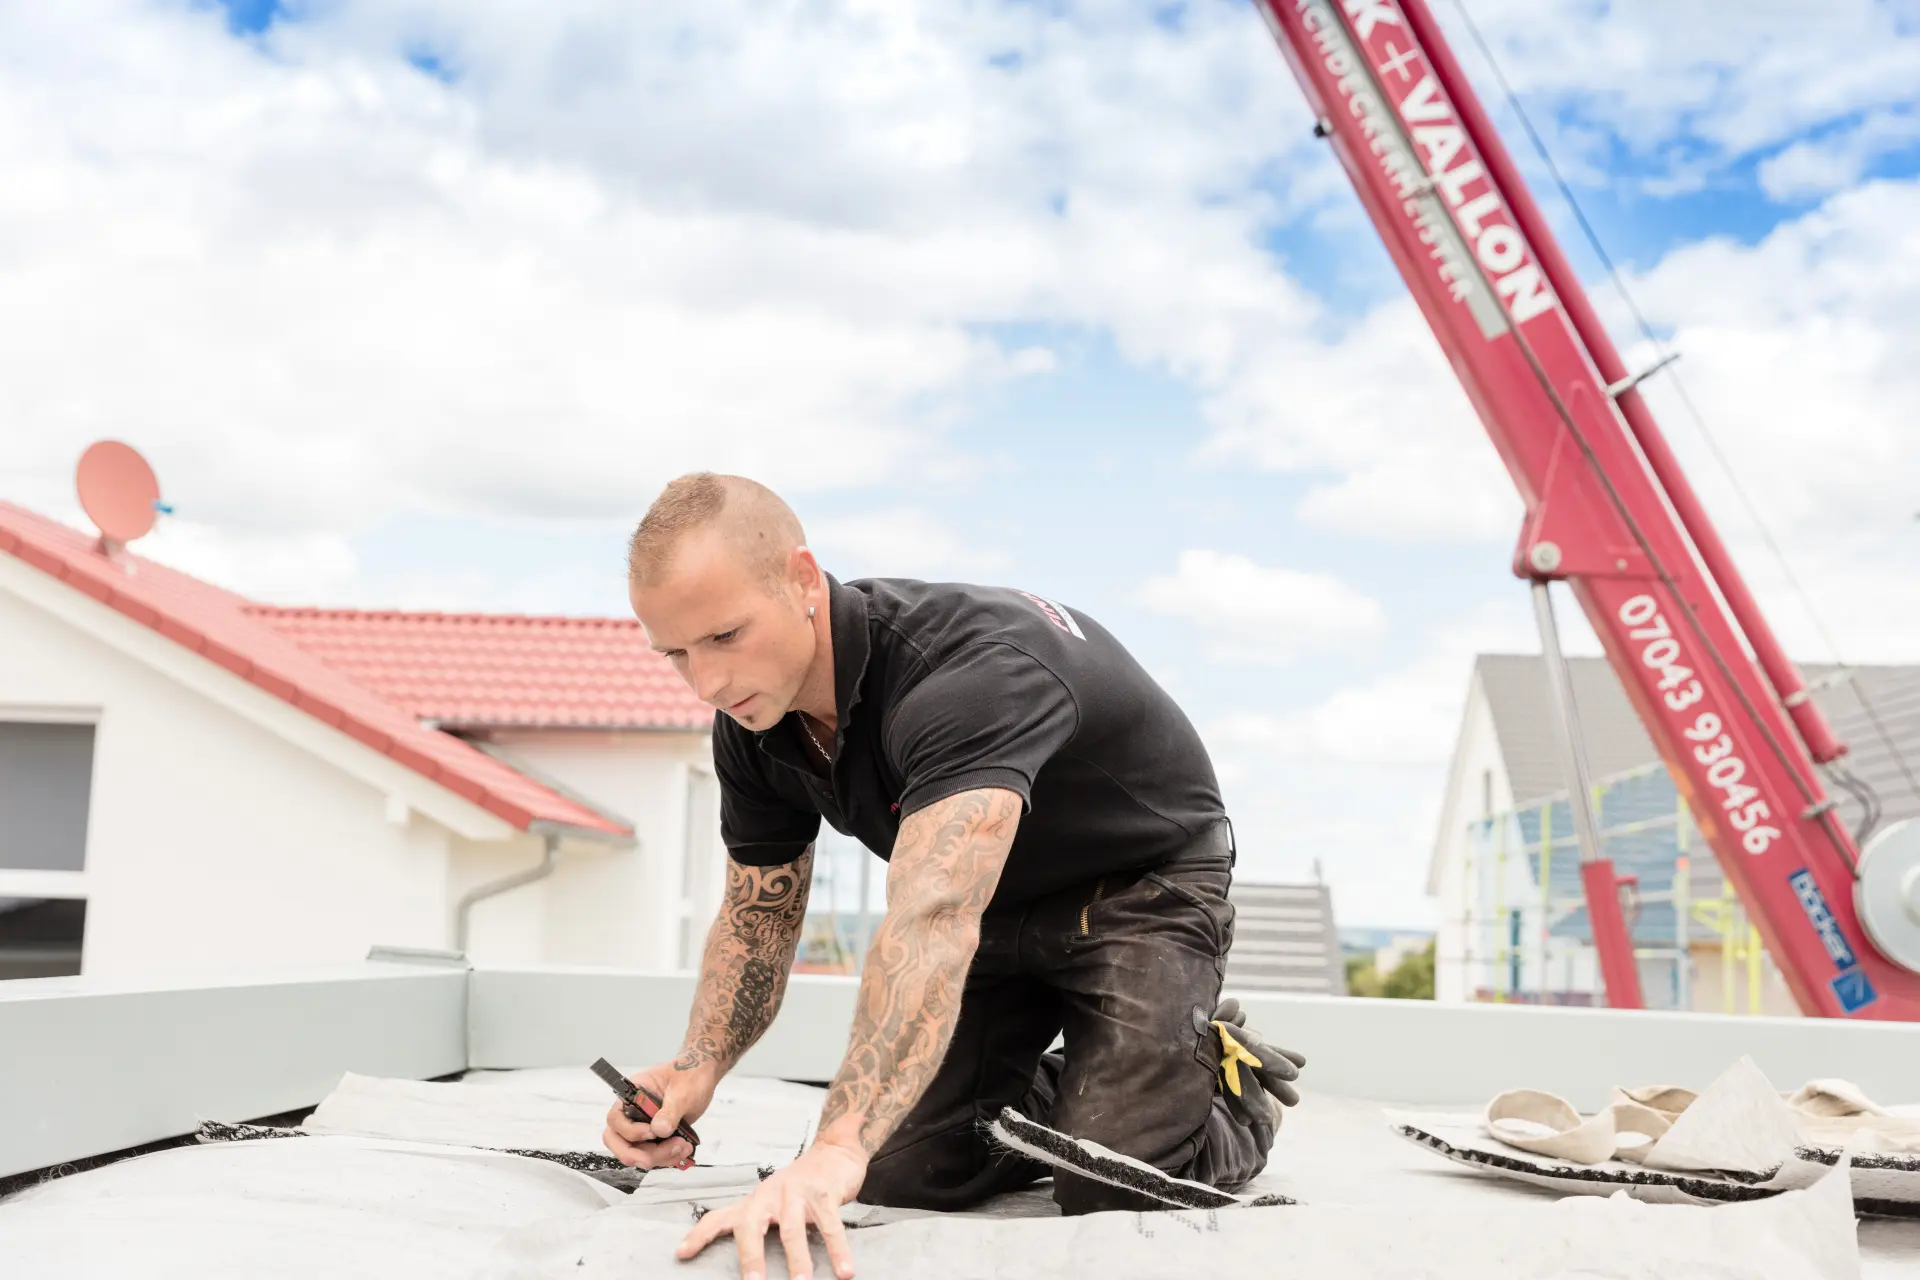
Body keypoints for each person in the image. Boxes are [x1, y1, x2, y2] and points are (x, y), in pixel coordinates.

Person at [603, 473, 1304, 1280]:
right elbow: (760, 916)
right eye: (676, 654)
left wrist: (833, 1146)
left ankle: (1212, 1082)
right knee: (900, 1170)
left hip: (1140, 890)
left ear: (801, 580)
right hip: (997, 907)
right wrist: (696, 1069)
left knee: (1110, 1180)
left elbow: (932, 921)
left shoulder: (968, 676)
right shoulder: (753, 724)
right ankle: (1084, 1079)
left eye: (725, 637)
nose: (709, 686)